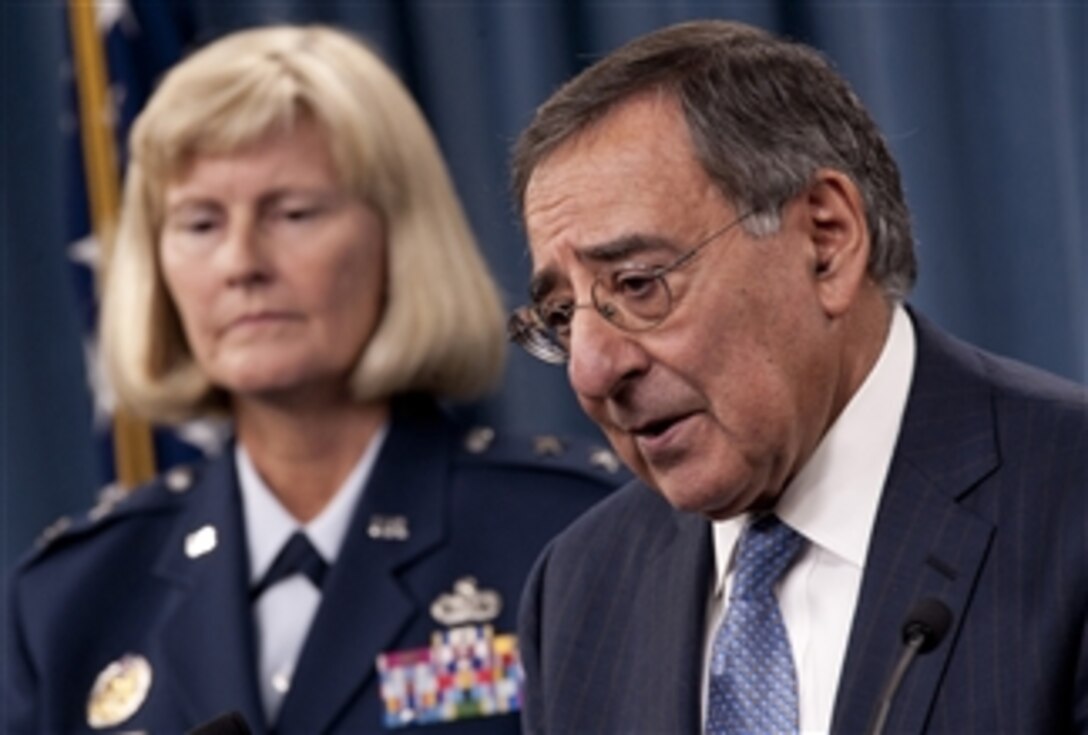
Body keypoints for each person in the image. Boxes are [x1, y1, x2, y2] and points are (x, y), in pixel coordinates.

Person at [4, 25, 626, 734]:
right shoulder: (71, 597)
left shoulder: (570, 531)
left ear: (398, 239)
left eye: (292, 213)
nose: (242, 262)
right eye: (201, 223)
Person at [507, 19, 1088, 735]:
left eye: (637, 283)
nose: (593, 368)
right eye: (562, 316)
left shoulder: (1069, 506)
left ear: (825, 241)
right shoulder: (578, 590)